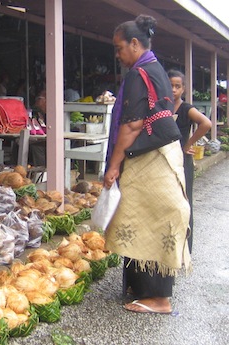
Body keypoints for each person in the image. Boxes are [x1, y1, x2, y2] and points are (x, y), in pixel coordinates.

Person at [103, 14, 191, 314]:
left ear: (135, 43)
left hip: (148, 157)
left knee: (149, 216)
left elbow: (132, 125)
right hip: (161, 153)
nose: (117, 54)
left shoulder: (138, 74)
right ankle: (139, 289)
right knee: (139, 217)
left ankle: (158, 298)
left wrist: (113, 166)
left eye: (119, 48)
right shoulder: (155, 69)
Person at [168, 69, 211, 253]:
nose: (174, 90)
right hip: (166, 162)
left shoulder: (186, 109)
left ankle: (186, 248)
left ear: (183, 89)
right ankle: (169, 245)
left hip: (182, 162)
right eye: (170, 85)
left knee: (184, 202)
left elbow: (206, 124)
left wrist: (188, 144)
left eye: (178, 86)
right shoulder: (162, 108)